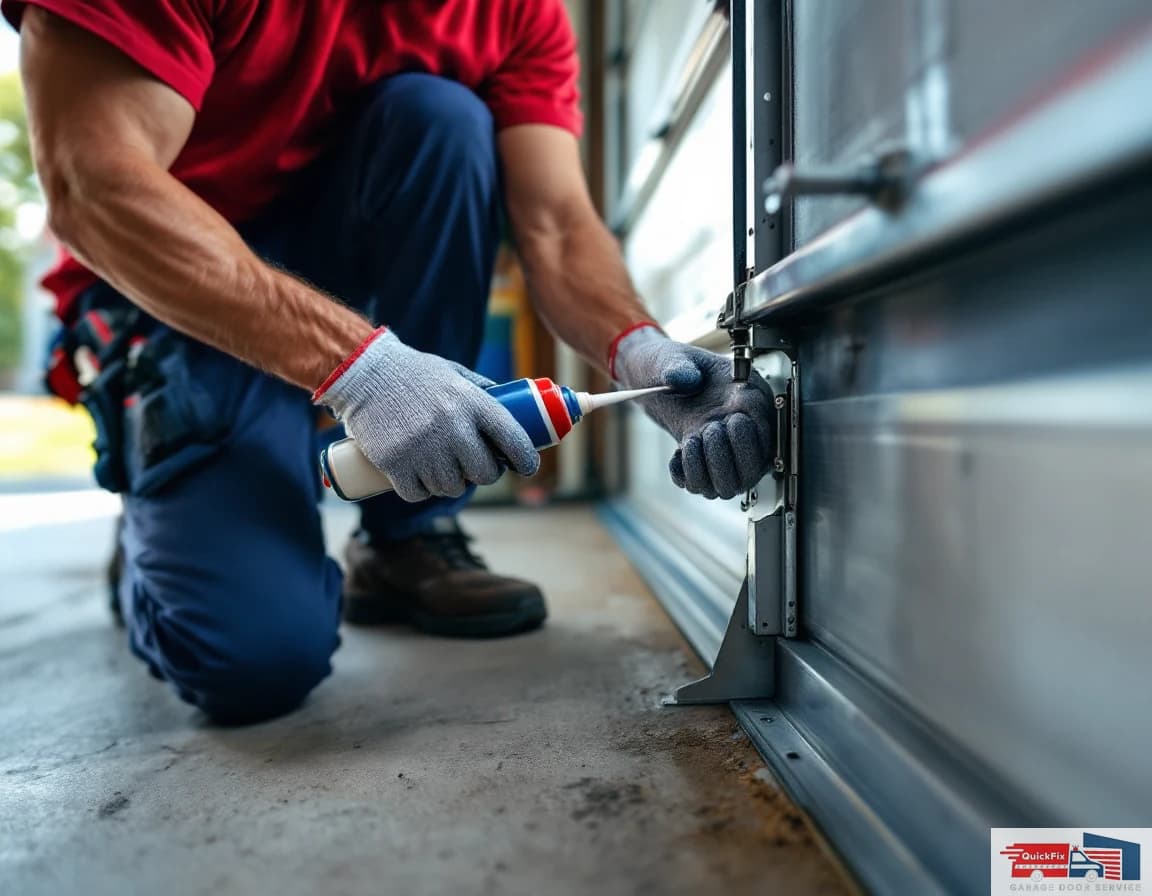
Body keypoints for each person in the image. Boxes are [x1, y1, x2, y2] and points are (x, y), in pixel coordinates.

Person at [6, 0, 775, 723]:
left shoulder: (512, 12)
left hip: (329, 273)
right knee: (251, 662)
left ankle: (405, 537)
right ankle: (156, 503)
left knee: (442, 119)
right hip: (170, 290)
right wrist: (363, 370)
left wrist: (641, 351)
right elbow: (94, 184)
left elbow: (556, 226)